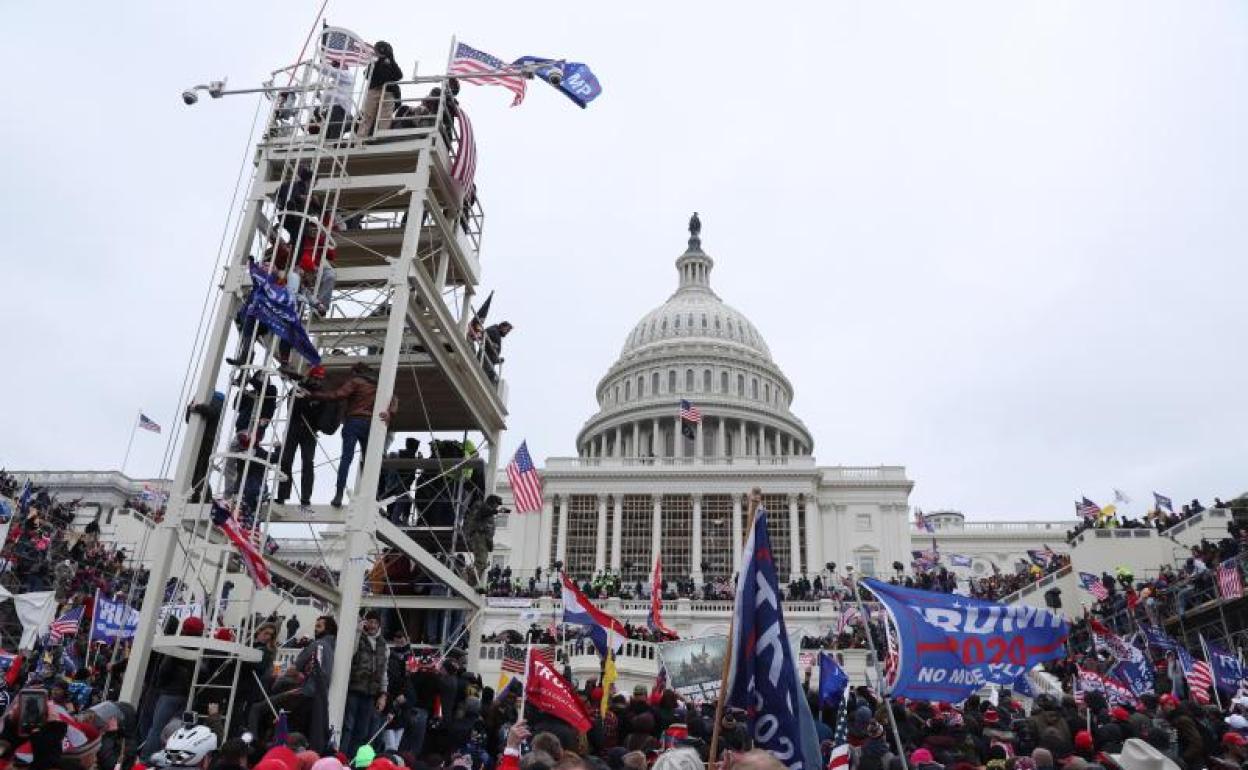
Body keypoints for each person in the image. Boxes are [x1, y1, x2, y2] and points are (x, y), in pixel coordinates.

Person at [314, 362, 397, 507]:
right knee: (369, 463)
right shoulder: (378, 384)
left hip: (353, 422)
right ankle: (373, 496)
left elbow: (338, 395)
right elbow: (394, 398)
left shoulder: (356, 381)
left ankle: (339, 494)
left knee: (346, 458)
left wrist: (314, 395)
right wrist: (390, 413)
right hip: (370, 425)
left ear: (356, 371)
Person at [277, 366, 327, 507]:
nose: (317, 381)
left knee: (308, 463)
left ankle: (305, 498)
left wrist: (308, 400)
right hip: (293, 429)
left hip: (310, 431)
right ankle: (282, 495)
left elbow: (319, 415)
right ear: (310, 377)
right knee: (286, 461)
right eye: (316, 378)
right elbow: (291, 409)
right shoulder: (297, 388)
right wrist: (303, 400)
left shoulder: (322, 394)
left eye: (320, 379)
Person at [340, 611, 388, 758]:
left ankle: (353, 760)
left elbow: (384, 672)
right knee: (348, 727)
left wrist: (383, 694)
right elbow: (350, 653)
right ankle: (341, 757)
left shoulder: (384, 645)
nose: (372, 625)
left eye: (375, 622)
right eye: (370, 621)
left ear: (379, 624)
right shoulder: (358, 637)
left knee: (362, 730)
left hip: (370, 693)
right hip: (354, 689)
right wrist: (357, 632)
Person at [359, 42, 403, 138]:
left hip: (388, 91)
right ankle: (361, 137)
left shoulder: (391, 63)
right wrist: (378, 62)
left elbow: (399, 75)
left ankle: (381, 136)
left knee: (385, 116)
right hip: (374, 90)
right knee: (368, 115)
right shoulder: (375, 63)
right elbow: (366, 74)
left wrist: (390, 60)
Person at [465, 495, 508, 583]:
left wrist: (490, 542)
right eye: (496, 504)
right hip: (479, 536)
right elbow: (485, 511)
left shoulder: (488, 514)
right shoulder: (482, 507)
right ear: (491, 502)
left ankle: (473, 582)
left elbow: (489, 529)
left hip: (484, 539)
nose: (497, 506)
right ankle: (469, 576)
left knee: (483, 563)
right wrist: (497, 511)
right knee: (481, 561)